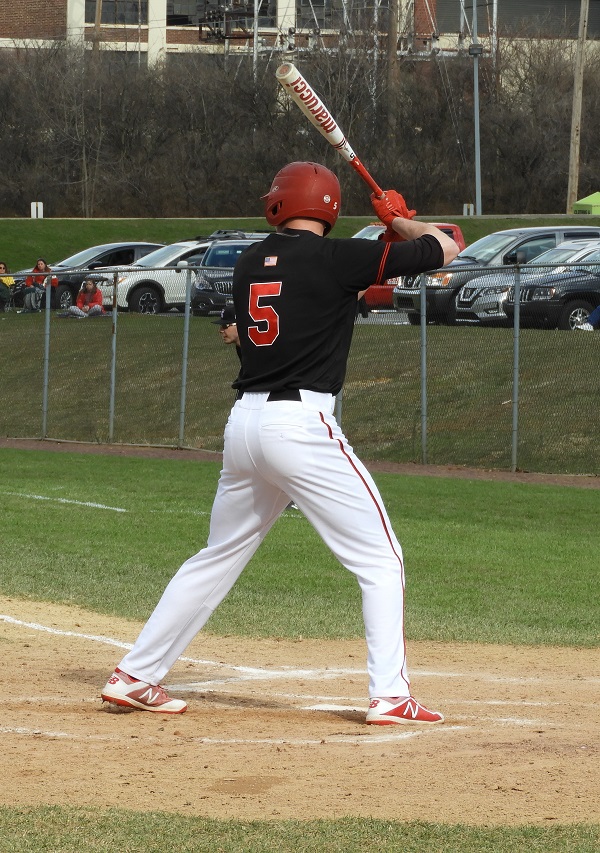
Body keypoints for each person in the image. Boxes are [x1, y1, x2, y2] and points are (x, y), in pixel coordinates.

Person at [101, 161, 459, 724]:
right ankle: (390, 695)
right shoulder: (339, 257)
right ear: (329, 208)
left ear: (279, 203)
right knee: (381, 559)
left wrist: (386, 241)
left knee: (217, 555)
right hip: (301, 424)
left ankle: (136, 675)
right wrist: (397, 219)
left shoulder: (249, 261)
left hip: (244, 425)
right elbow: (448, 248)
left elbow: (326, 298)